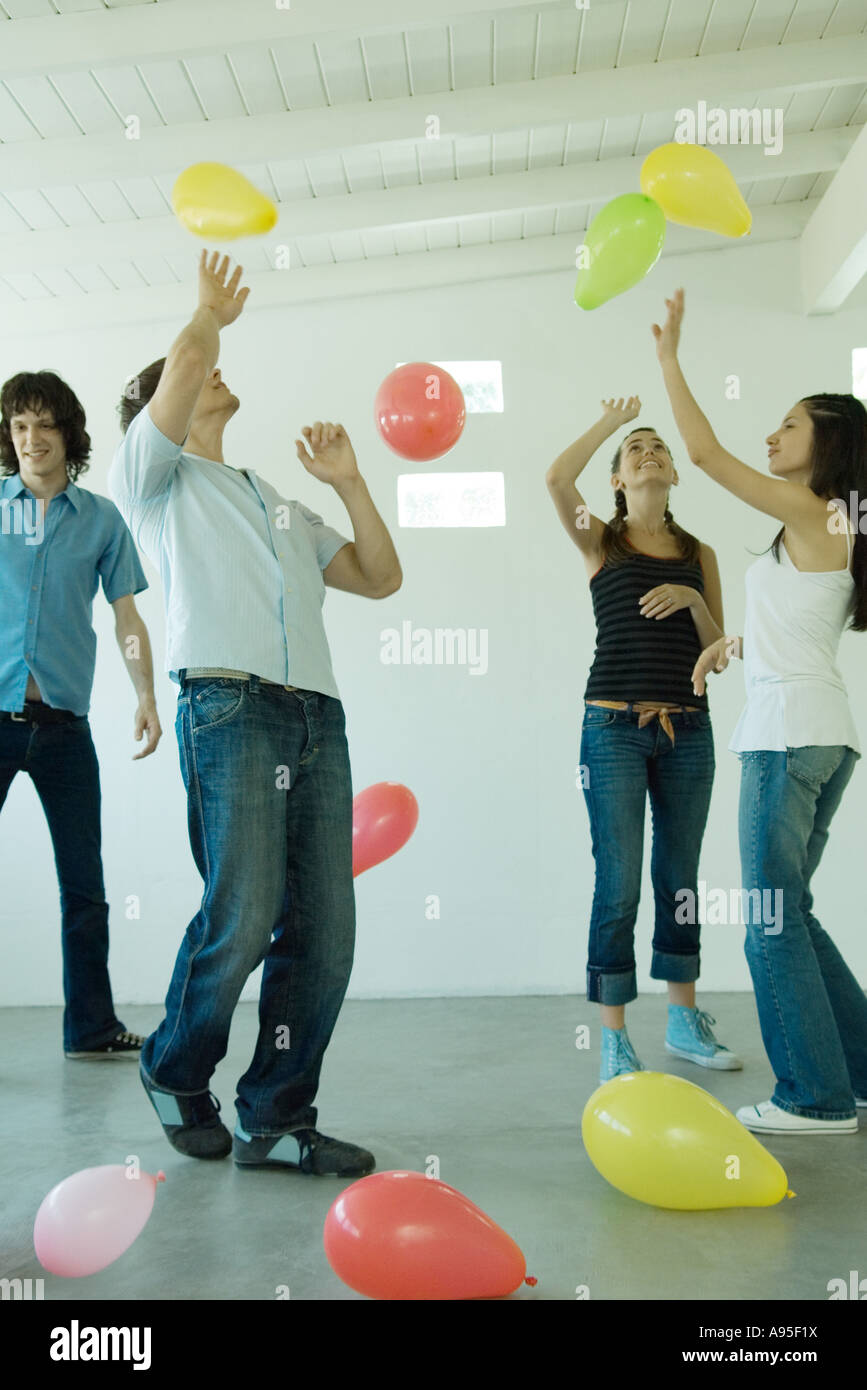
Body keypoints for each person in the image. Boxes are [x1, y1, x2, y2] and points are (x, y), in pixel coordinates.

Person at [109, 250, 402, 1176]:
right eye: (194, 377)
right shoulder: (149, 482)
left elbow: (377, 576)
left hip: (317, 715)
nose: (213, 375)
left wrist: (351, 482)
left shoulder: (274, 501)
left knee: (324, 926)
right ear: (160, 410)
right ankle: (171, 1064)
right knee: (244, 910)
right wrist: (203, 316)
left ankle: (274, 1117)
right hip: (228, 706)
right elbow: (188, 365)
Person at [655, 286, 867, 1134]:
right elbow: (798, 617)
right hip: (818, 733)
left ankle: (811, 1099)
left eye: (789, 424)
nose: (771, 435)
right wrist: (728, 640)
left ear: (830, 446)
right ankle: (851, 1076)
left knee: (770, 921)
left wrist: (668, 356)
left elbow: (701, 454)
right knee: (795, 914)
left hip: (786, 741)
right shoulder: (826, 523)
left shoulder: (816, 506)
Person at [547, 395, 740, 1083]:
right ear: (617, 480)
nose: (650, 453)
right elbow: (553, 479)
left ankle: (684, 1020)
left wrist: (693, 603)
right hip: (611, 730)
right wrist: (607, 422)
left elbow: (718, 651)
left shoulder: (700, 554)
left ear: (675, 476)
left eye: (658, 447)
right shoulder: (600, 540)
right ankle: (612, 1035)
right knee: (618, 878)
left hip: (688, 730)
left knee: (678, 876)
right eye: (635, 451)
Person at [0, 370, 161, 1059]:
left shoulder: (100, 520)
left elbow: (127, 615)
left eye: (43, 424)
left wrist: (146, 693)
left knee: (85, 887)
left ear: (69, 433)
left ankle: (91, 1029)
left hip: (65, 728)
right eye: (17, 426)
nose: (30, 439)